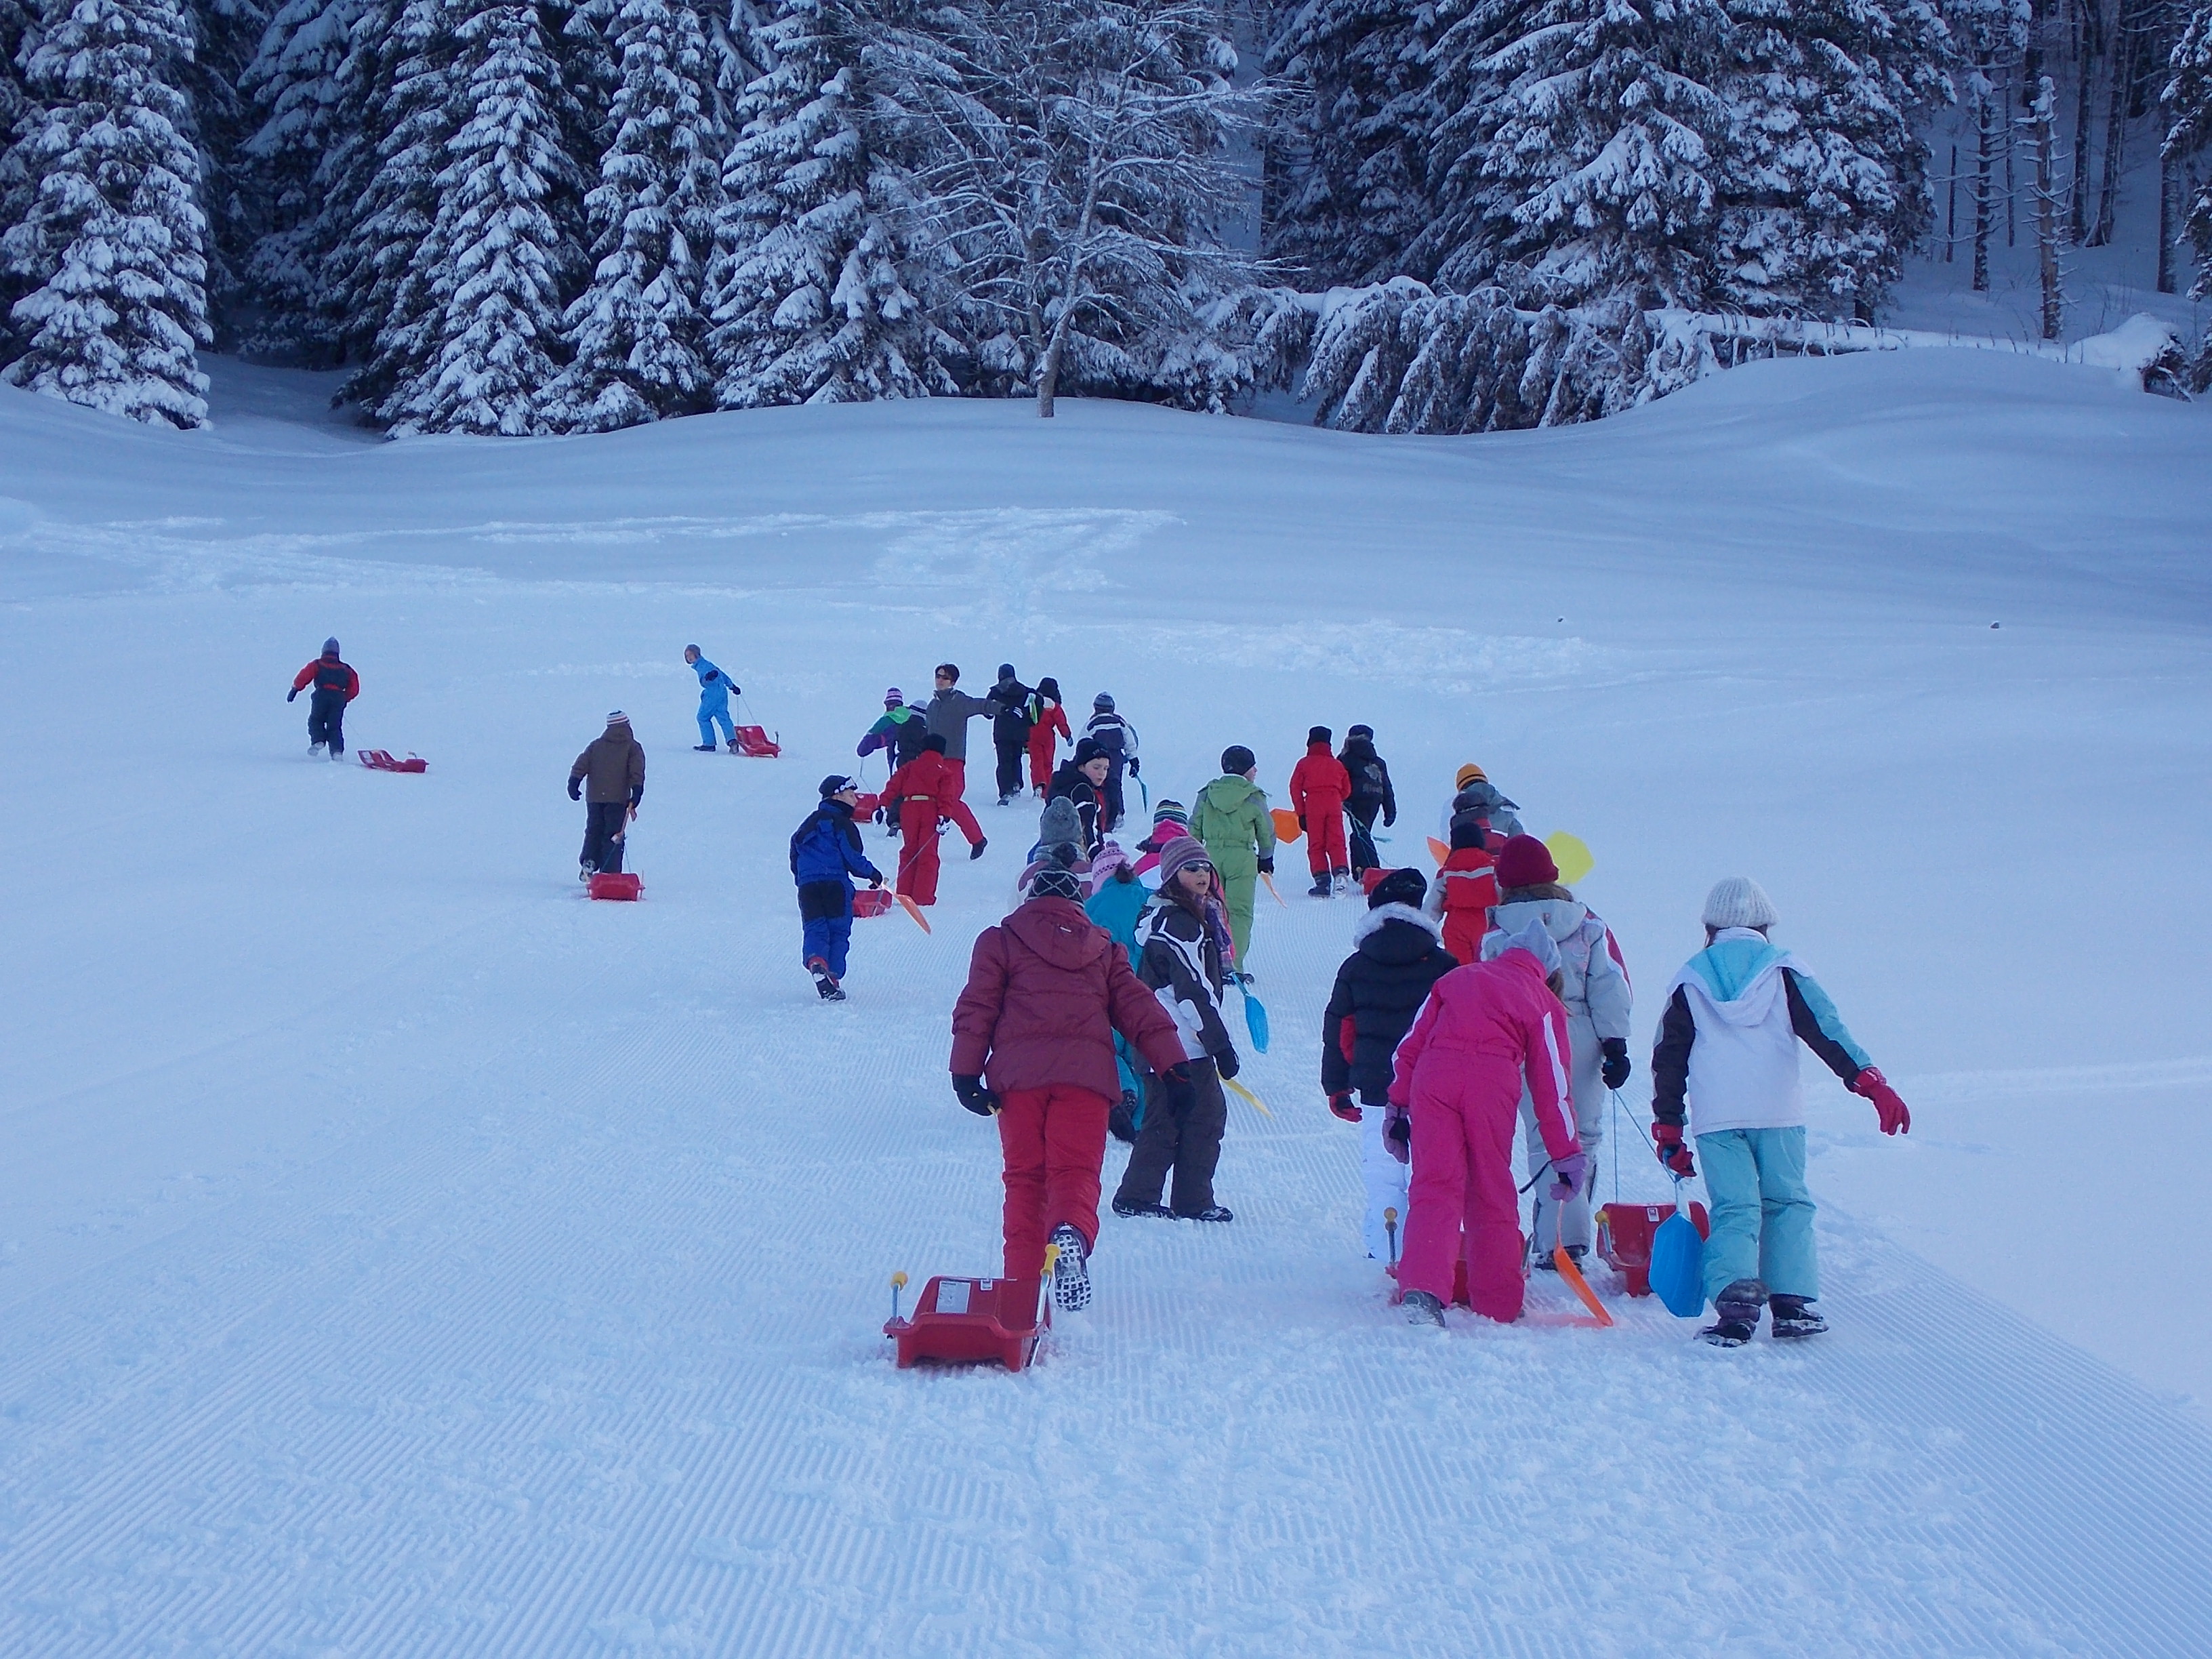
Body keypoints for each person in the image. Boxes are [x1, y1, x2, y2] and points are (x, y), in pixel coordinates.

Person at [1649, 878, 1912, 1346]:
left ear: (1710, 927)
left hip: (1718, 1119)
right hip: (1778, 1112)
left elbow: (1668, 1058)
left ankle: (1735, 1308)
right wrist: (1871, 1084)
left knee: (1735, 1207)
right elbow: (1826, 1030)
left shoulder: (1690, 978)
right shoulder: (1784, 969)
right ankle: (1791, 1305)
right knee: (1786, 1202)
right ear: (1764, 924)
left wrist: (1669, 1127)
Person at [950, 860, 1189, 1312]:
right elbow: (1140, 1008)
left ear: (1032, 898)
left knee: (1024, 1181)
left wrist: (965, 1073)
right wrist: (1175, 1068)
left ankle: (1022, 1296)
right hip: (1085, 1080)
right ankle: (1070, 1233)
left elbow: (977, 1006)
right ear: (1078, 905)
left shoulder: (999, 941)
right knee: (1074, 1173)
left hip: (1019, 1082)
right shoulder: (1104, 949)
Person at [1388, 920, 1582, 1326]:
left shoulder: (1457, 978)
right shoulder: (1541, 1000)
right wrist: (1566, 1154)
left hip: (1434, 1077)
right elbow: (1553, 1085)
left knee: (1434, 1185)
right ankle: (1498, 1303)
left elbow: (1411, 1044)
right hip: (1491, 1086)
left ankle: (1423, 1292)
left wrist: (1397, 1107)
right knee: (1490, 1188)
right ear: (1545, 968)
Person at [1481, 835, 1631, 1267]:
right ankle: (1574, 1231)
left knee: (1546, 1138)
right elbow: (1609, 987)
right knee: (1584, 1135)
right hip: (1583, 1034)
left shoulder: (1497, 935)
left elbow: (1492, 994)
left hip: (1528, 1038)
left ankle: (1557, 1238)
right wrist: (1615, 1043)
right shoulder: (1587, 926)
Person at [1320, 869, 1459, 1260]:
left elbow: (1339, 1029)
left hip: (1378, 1084)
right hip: (1434, 1087)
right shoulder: (1446, 965)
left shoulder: (1356, 966)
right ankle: (1433, 1254)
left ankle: (1387, 1253)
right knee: (1432, 1172)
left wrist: (1338, 1085)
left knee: (1384, 1174)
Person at [1112, 838, 1242, 1223]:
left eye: (1204, 868)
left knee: (1175, 1119)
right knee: (1197, 1119)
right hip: (1181, 1045)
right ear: (1172, 877)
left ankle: (1166, 1197)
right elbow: (1193, 990)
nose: (1201, 875)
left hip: (1168, 1043)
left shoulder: (1180, 916)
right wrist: (1220, 1045)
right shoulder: (1179, 922)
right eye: (1191, 869)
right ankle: (1168, 1199)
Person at [790, 775, 884, 1001]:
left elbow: (795, 854)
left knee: (815, 928)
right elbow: (852, 857)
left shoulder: (807, 824)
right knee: (838, 931)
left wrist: (802, 880)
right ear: (837, 795)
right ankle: (832, 977)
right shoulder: (842, 824)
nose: (855, 799)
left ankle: (816, 962)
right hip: (835, 885)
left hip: (808, 887)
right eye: (851, 794)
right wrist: (873, 874)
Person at [1084, 840, 1153, 1142]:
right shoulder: (1151, 901)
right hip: (1146, 991)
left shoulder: (1090, 908)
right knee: (1141, 1051)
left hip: (1106, 991)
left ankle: (1123, 1089)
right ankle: (1140, 1124)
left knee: (1106, 1048)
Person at [1189, 746, 1275, 972]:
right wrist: (1266, 857)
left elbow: (1194, 828)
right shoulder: (1253, 796)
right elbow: (1267, 831)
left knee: (1208, 908)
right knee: (1239, 913)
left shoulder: (1207, 793)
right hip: (1242, 857)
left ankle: (1208, 961)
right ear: (1243, 769)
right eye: (1252, 766)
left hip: (1210, 858)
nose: (1255, 770)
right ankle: (1233, 966)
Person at [881, 733, 986, 905]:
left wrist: (882, 803)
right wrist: (944, 816)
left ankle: (904, 892)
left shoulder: (910, 767)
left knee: (909, 850)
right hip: (930, 808)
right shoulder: (944, 771)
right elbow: (947, 796)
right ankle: (923, 897)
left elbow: (894, 785)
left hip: (909, 808)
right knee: (927, 852)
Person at [568, 711, 645, 879]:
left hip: (595, 798)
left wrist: (574, 782)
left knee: (594, 830)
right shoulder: (632, 747)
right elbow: (636, 772)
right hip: (618, 800)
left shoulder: (596, 745)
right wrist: (637, 791)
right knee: (613, 834)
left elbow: (581, 764)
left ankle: (590, 860)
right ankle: (609, 872)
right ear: (627, 726)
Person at [1427, 807, 1502, 964]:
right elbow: (1504, 895)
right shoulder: (1493, 866)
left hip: (1456, 927)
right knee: (1490, 968)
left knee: (1461, 972)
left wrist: (1422, 931)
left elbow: (1431, 908)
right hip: (1487, 922)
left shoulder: (1446, 872)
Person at [1290, 724, 1353, 897]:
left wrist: (1301, 812)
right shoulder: (1336, 764)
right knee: (1337, 840)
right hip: (1333, 802)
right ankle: (1340, 874)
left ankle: (1322, 881)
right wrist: (1337, 798)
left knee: (1316, 843)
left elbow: (1295, 788)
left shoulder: (1303, 764)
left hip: (1313, 803)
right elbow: (1347, 789)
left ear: (1310, 743)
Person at [924, 664, 996, 800]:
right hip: (933, 759)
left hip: (953, 757)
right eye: (938, 676)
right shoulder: (932, 705)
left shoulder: (958, 701)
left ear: (953, 682)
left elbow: (981, 705)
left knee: (952, 797)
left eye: (945, 678)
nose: (940, 680)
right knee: (934, 797)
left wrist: (1004, 709)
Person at [287, 638, 359, 760]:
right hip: (338, 697)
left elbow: (304, 676)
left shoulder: (317, 664)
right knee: (335, 725)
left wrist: (295, 689)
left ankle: (318, 740)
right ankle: (337, 752)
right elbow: (354, 687)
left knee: (316, 719)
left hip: (321, 695)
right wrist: (345, 698)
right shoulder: (346, 669)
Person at [1339, 725, 1396, 875]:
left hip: (1355, 800)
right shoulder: (1378, 761)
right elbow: (1387, 787)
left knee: (1361, 833)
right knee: (1361, 832)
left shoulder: (1346, 758)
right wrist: (1390, 810)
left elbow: (1338, 780)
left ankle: (1372, 868)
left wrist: (1341, 799)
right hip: (1375, 798)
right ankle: (1360, 870)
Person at [1082, 693, 1139, 833]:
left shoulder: (1092, 723)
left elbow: (1083, 741)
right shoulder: (1119, 722)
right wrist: (1133, 760)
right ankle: (1118, 812)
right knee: (1115, 784)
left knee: (1099, 785)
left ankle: (1102, 814)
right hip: (1116, 758)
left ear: (1095, 708)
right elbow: (1129, 741)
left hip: (1097, 758)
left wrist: (1082, 760)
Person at [1045, 739, 1111, 856]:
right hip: (1077, 856)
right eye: (1096, 767)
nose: (1102, 773)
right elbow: (1087, 829)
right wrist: (1098, 857)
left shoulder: (1063, 782)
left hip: (1051, 849)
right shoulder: (1082, 790)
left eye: (1106, 768)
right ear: (1081, 767)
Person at [1438, 764, 1525, 843]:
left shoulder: (1454, 804)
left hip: (1471, 851)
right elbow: (1520, 837)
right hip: (1501, 852)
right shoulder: (1506, 805)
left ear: (1460, 785)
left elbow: (1447, 835)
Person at [987, 663, 1033, 806]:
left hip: (1002, 733)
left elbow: (988, 713)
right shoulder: (1025, 691)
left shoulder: (995, 692)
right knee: (1016, 759)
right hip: (1019, 732)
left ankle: (1005, 791)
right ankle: (1016, 784)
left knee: (1003, 762)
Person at [684, 644, 739, 753]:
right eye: (687, 656)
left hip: (712, 694)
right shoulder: (707, 664)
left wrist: (709, 677)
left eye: (691, 654)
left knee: (703, 717)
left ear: (697, 654)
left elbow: (709, 677)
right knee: (723, 717)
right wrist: (732, 686)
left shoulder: (702, 665)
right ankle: (733, 741)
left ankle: (709, 744)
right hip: (722, 693)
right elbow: (721, 674)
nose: (689, 657)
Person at [857, 688, 930, 770]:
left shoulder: (886, 721)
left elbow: (862, 750)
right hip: (924, 767)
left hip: (902, 768)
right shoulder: (920, 717)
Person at [1025, 677, 1071, 796]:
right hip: (1048, 738)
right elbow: (1061, 722)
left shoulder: (1033, 702)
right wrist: (1067, 735)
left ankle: (1038, 785)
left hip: (1032, 735)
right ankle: (1047, 791)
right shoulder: (1054, 706)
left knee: (1036, 762)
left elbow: (1025, 719)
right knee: (1048, 763)